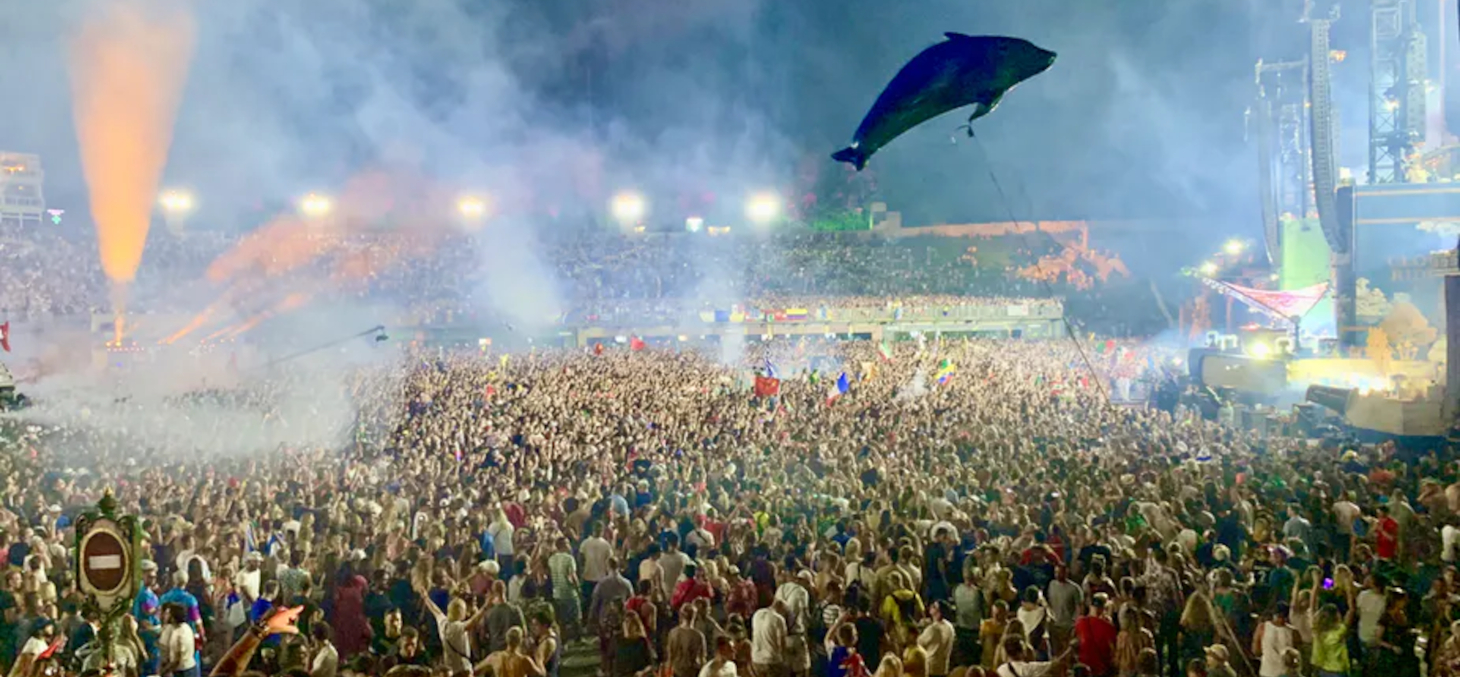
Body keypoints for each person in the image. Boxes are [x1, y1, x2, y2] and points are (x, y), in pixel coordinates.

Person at [158, 603, 198, 677]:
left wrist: (162, 672)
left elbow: (177, 660)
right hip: (186, 668)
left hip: (183, 671)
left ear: (173, 617)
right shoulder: (184, 627)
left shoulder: (179, 633)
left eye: (168, 614)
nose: (165, 616)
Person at [916, 601, 954, 677]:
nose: (930, 607)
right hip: (943, 668)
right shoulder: (949, 626)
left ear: (939, 612)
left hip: (931, 668)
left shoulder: (933, 629)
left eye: (934, 606)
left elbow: (918, 643)